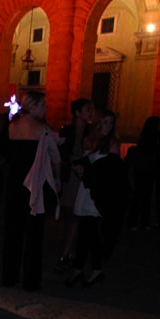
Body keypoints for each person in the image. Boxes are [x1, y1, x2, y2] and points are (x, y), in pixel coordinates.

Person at [2, 91, 61, 291]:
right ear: (34, 106)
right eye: (43, 105)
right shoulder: (42, 130)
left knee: (12, 231)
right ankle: (31, 280)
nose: (46, 109)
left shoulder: (12, 127)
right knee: (34, 233)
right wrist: (58, 178)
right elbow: (56, 157)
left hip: (14, 183)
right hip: (34, 184)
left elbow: (8, 155)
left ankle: (9, 276)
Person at [65, 112, 130, 288]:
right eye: (105, 122)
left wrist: (87, 170)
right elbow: (88, 161)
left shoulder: (113, 143)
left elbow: (111, 171)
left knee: (90, 230)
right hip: (86, 189)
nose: (108, 126)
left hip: (99, 192)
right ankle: (88, 269)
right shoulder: (89, 140)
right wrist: (80, 166)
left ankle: (89, 269)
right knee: (86, 230)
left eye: (111, 123)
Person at [57, 98, 94, 269]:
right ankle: (69, 249)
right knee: (67, 214)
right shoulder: (68, 130)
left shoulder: (92, 131)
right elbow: (61, 153)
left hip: (82, 177)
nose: (90, 112)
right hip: (69, 176)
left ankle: (65, 254)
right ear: (78, 112)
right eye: (87, 109)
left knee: (75, 215)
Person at [125, 116, 160, 231]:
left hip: (142, 166)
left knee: (140, 195)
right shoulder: (154, 137)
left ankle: (135, 222)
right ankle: (141, 222)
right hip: (147, 166)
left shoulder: (147, 137)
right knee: (144, 195)